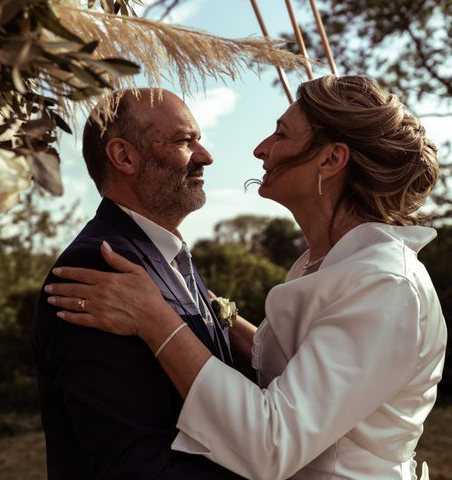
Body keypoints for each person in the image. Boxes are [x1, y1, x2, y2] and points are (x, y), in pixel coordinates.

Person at [44, 75, 448, 479]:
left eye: (281, 134)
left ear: (330, 160)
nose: (260, 150)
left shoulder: (384, 283)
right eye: (186, 140)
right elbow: (298, 365)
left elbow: (273, 442)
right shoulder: (323, 262)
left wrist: (157, 319)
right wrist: (206, 304)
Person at [32, 88, 244, 479]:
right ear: (124, 156)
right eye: (184, 140)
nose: (205, 156)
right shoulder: (101, 267)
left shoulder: (166, 255)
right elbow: (131, 463)